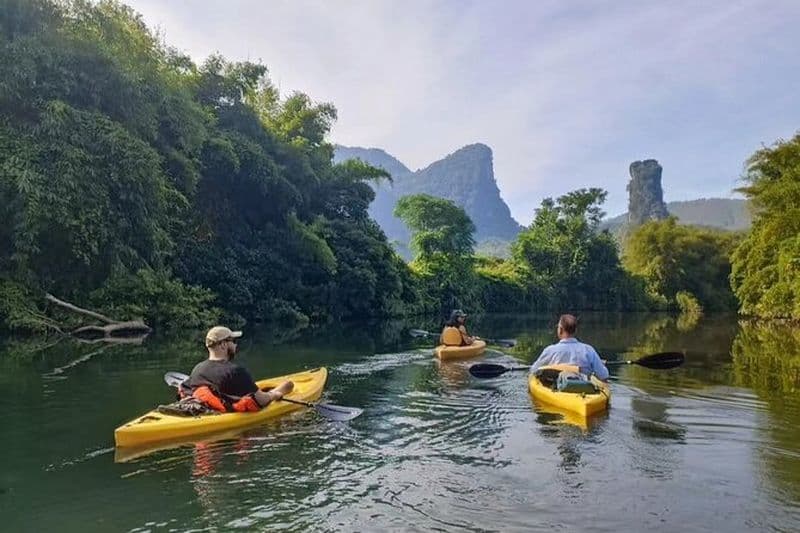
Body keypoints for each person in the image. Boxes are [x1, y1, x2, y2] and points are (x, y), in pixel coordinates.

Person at [182, 326, 294, 412]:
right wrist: (274, 394)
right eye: (234, 342)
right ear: (223, 345)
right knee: (289, 385)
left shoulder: (197, 369)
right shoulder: (235, 371)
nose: (236, 346)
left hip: (207, 409)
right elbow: (261, 400)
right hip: (226, 413)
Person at [529, 314, 609, 381]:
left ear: (560, 330)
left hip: (557, 391)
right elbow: (604, 375)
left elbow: (534, 370)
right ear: (575, 331)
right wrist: (602, 366)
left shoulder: (550, 350)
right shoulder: (588, 350)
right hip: (583, 390)